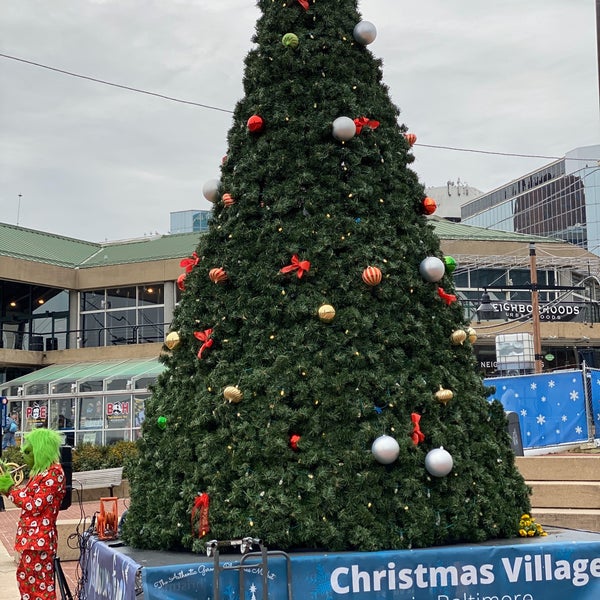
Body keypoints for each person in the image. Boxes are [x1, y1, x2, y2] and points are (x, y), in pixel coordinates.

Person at [0, 428, 66, 600]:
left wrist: (10, 490)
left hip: (40, 541)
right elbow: (28, 496)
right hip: (29, 539)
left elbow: (34, 504)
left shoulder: (54, 473)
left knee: (40, 587)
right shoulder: (39, 473)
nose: (25, 455)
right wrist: (10, 487)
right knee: (25, 582)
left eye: (29, 451)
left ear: (41, 450)